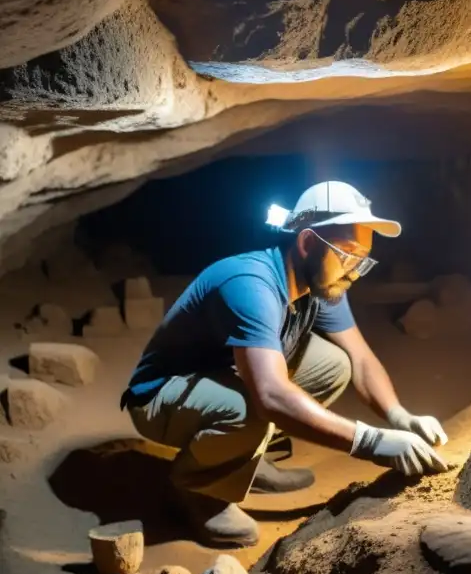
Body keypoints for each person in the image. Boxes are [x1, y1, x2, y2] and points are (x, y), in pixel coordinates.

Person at [120, 180, 449, 548]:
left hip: (225, 377)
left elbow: (360, 358)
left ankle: (245, 459)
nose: (354, 271)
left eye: (362, 259)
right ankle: (198, 489)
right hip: (160, 397)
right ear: (307, 243)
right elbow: (271, 396)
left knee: (334, 365)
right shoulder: (251, 285)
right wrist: (370, 441)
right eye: (347, 254)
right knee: (251, 406)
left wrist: (399, 416)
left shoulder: (323, 283)